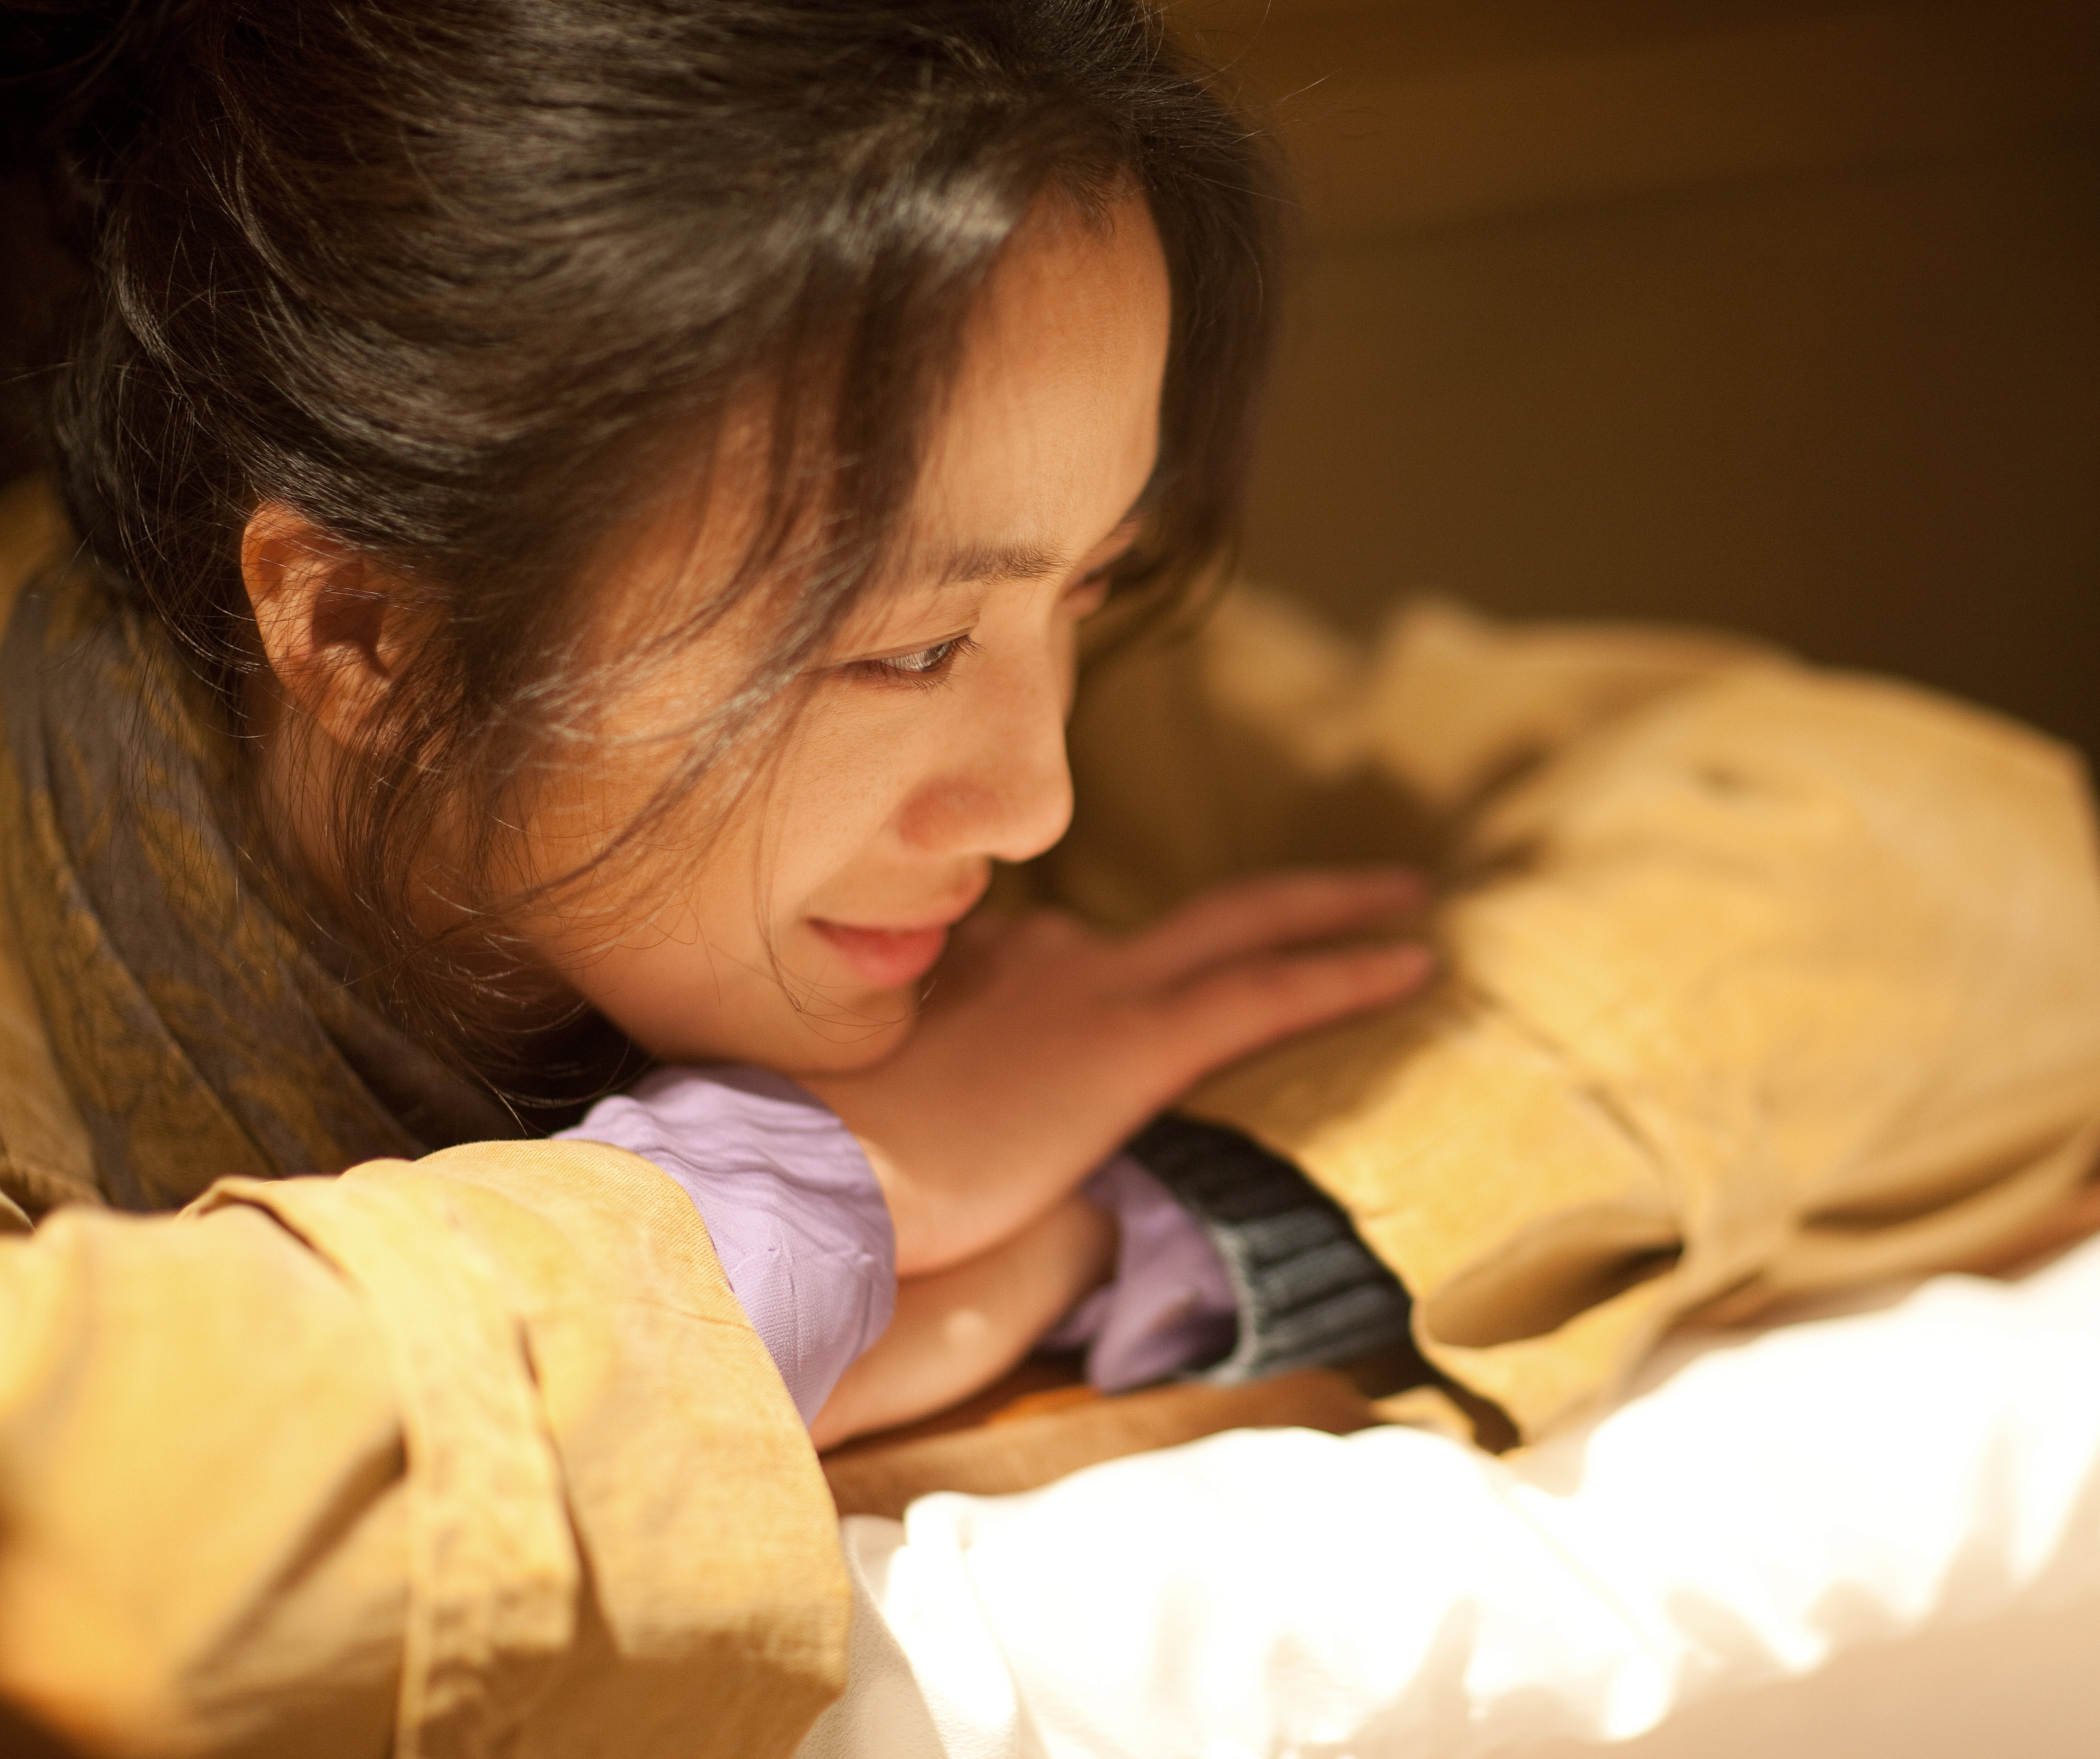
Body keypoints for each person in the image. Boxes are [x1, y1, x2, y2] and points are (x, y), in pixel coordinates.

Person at [0, 0, 1430, 1750]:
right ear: (364, 630)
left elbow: (1748, 806)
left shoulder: (1079, 679)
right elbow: (95, 1552)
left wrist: (1118, 1220)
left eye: (1093, 587)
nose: (1037, 799)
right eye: (904, 651)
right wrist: (781, 1209)